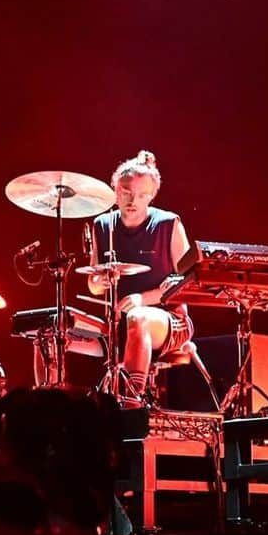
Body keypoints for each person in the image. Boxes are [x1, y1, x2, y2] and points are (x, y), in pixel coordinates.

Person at [87, 149, 191, 404]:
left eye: (142, 194)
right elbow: (93, 286)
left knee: (138, 316)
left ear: (151, 196)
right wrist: (99, 281)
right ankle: (50, 400)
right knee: (54, 326)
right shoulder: (102, 225)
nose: (133, 200)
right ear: (115, 190)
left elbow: (190, 283)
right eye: (126, 192)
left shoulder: (168, 224)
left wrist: (145, 298)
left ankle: (132, 402)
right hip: (115, 323)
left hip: (169, 321)